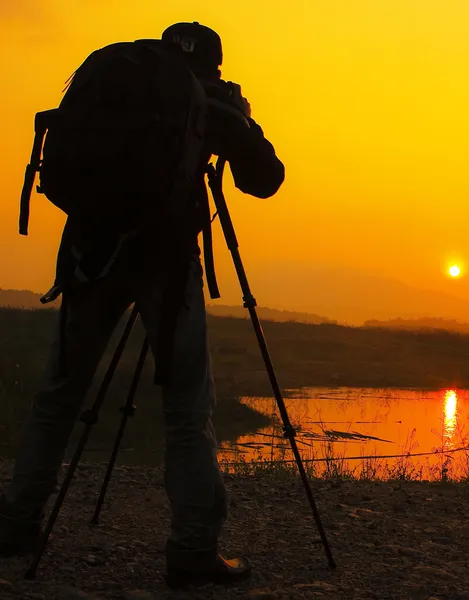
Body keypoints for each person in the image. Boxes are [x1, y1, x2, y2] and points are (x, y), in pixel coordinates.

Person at [0, 22, 285, 588]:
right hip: (165, 262)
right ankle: (193, 548)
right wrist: (240, 118)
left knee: (60, 394)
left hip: (90, 254)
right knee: (186, 410)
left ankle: (16, 523)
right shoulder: (206, 98)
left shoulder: (117, 77)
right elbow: (265, 179)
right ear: (213, 64)